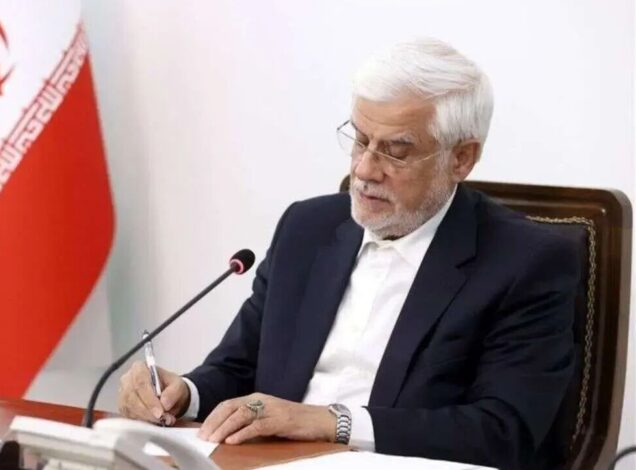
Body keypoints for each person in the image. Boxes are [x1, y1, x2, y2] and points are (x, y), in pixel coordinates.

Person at [116, 38, 580, 470]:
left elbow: (503, 433)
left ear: (461, 158)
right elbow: (240, 366)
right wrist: (184, 393)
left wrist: (330, 421)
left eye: (396, 152)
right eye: (360, 139)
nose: (364, 169)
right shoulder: (307, 228)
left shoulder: (526, 262)